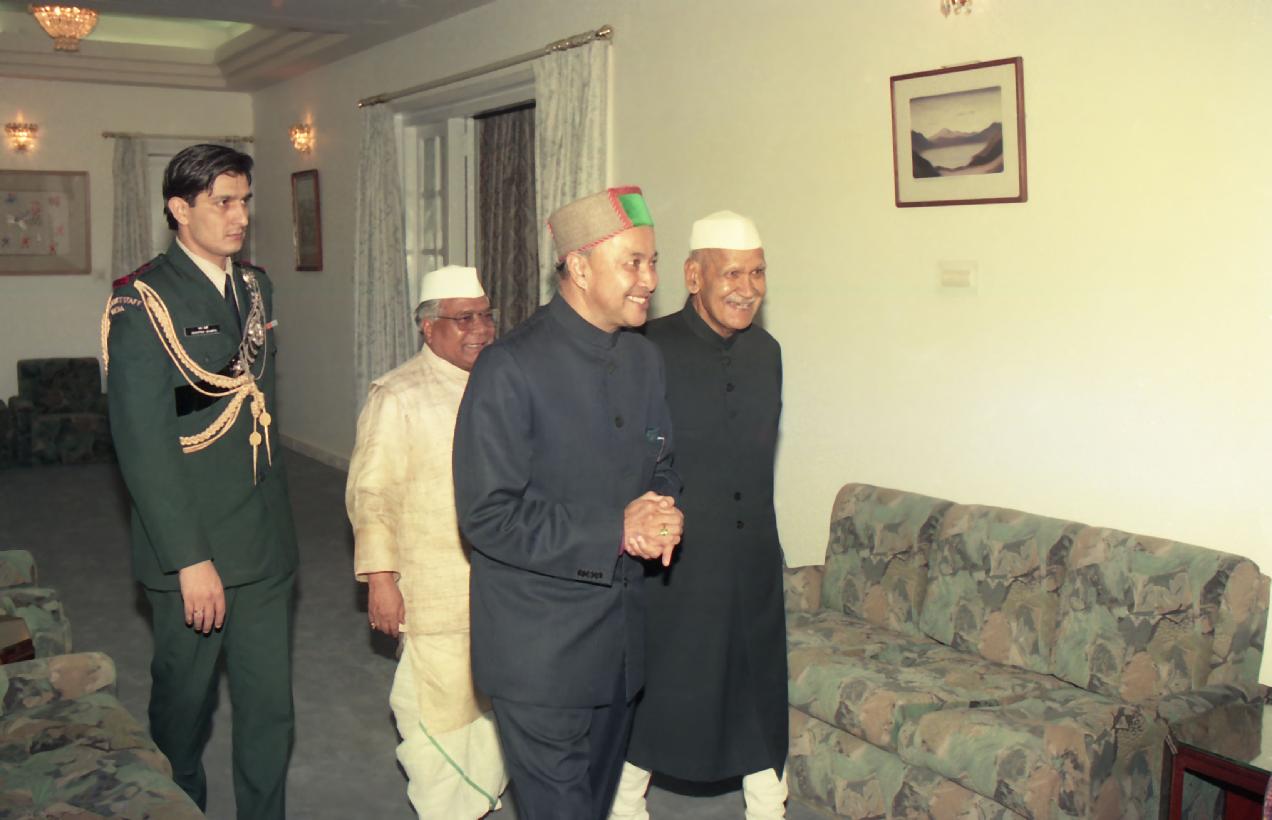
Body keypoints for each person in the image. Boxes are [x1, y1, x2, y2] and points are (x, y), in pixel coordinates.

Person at [452, 186, 684, 820]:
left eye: (653, 262)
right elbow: (487, 515)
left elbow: (664, 464)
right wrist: (617, 529)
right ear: (579, 267)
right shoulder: (509, 367)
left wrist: (665, 509)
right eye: (633, 262)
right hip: (541, 653)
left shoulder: (645, 360)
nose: (649, 280)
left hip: (620, 648)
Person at [103, 143, 298, 820]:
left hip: (263, 539)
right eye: (223, 202)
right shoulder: (141, 302)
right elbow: (144, 446)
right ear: (180, 209)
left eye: (244, 201)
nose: (239, 216)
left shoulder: (256, 288)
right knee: (182, 710)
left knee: (270, 709)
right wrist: (190, 559)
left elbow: (260, 407)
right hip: (194, 544)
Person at [612, 211, 788, 820]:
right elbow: (619, 458)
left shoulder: (767, 353)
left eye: (757, 273)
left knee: (759, 690)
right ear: (693, 276)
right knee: (660, 693)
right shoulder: (644, 350)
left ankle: (769, 808)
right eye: (731, 273)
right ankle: (622, 808)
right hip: (674, 565)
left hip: (753, 561)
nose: (747, 288)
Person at [346, 264, 507, 818]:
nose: (480, 329)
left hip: (501, 588)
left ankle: (476, 804)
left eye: (485, 315)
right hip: (433, 589)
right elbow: (371, 495)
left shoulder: (504, 383)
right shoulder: (398, 395)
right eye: (464, 319)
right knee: (435, 714)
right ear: (428, 326)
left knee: (491, 709)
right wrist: (381, 580)